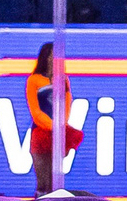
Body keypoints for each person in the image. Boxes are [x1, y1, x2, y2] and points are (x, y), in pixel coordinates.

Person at [23, 38, 86, 193]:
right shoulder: (34, 80)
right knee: (43, 181)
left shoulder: (63, 79)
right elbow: (35, 111)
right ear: (46, 57)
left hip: (59, 133)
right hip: (41, 133)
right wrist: (52, 126)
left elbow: (66, 103)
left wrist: (61, 125)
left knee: (54, 180)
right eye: (53, 55)